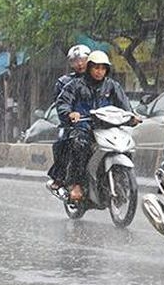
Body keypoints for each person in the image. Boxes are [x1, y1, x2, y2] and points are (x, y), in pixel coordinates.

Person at [56, 50, 136, 201]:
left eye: (103, 68)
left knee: (125, 144)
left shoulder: (112, 86)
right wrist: (70, 113)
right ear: (89, 68)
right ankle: (76, 184)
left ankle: (121, 178)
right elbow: (63, 103)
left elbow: (124, 104)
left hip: (106, 127)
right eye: (96, 68)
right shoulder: (75, 85)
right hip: (83, 127)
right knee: (80, 145)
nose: (100, 72)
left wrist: (132, 116)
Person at [46, 44, 91, 193]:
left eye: (83, 59)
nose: (79, 63)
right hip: (74, 125)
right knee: (67, 144)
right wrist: (70, 114)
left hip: (97, 123)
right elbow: (61, 104)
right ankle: (65, 178)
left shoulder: (103, 81)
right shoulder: (64, 83)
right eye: (75, 60)